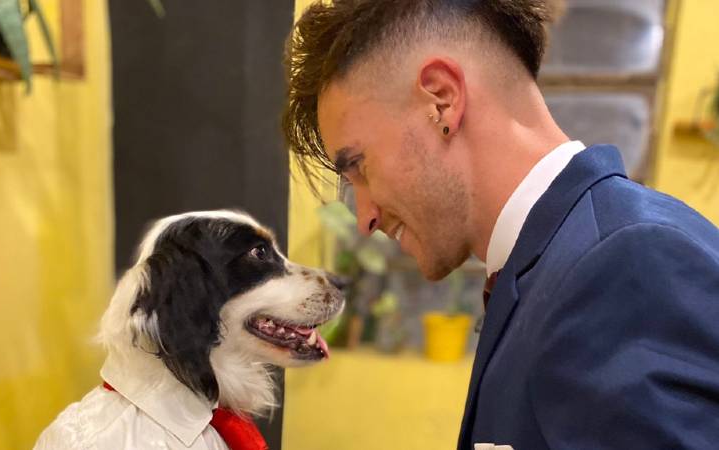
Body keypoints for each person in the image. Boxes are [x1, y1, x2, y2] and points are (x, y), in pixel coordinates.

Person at [282, 0, 719, 449]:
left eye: (360, 167)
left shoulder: (625, 266)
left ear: (442, 100)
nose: (365, 217)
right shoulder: (549, 267)